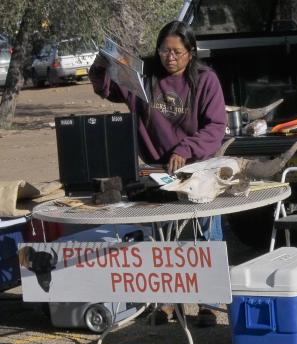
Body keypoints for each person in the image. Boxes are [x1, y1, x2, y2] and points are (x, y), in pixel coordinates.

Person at [89, 20, 227, 327]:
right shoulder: (143, 77)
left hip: (198, 168)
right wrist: (101, 64)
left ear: (191, 53)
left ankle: (209, 303)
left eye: (177, 51)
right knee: (163, 237)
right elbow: (108, 88)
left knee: (206, 233)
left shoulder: (206, 80)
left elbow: (216, 126)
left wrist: (187, 150)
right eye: (165, 50)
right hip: (156, 169)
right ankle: (167, 302)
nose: (171, 58)